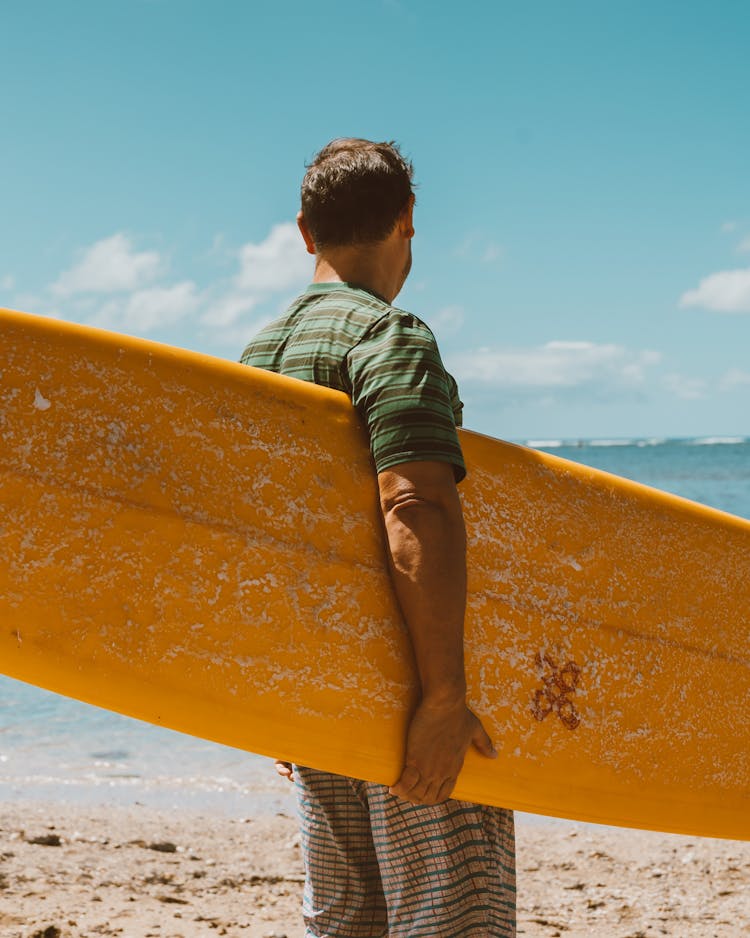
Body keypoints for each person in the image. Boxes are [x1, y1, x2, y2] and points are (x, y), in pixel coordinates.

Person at [240, 138, 516, 937]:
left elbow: (255, 543)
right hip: (404, 685)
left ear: (303, 231)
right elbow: (415, 507)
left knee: (345, 925)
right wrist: (443, 698)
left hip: (320, 693)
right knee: (451, 921)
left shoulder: (259, 357)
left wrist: (270, 704)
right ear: (407, 220)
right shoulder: (389, 339)